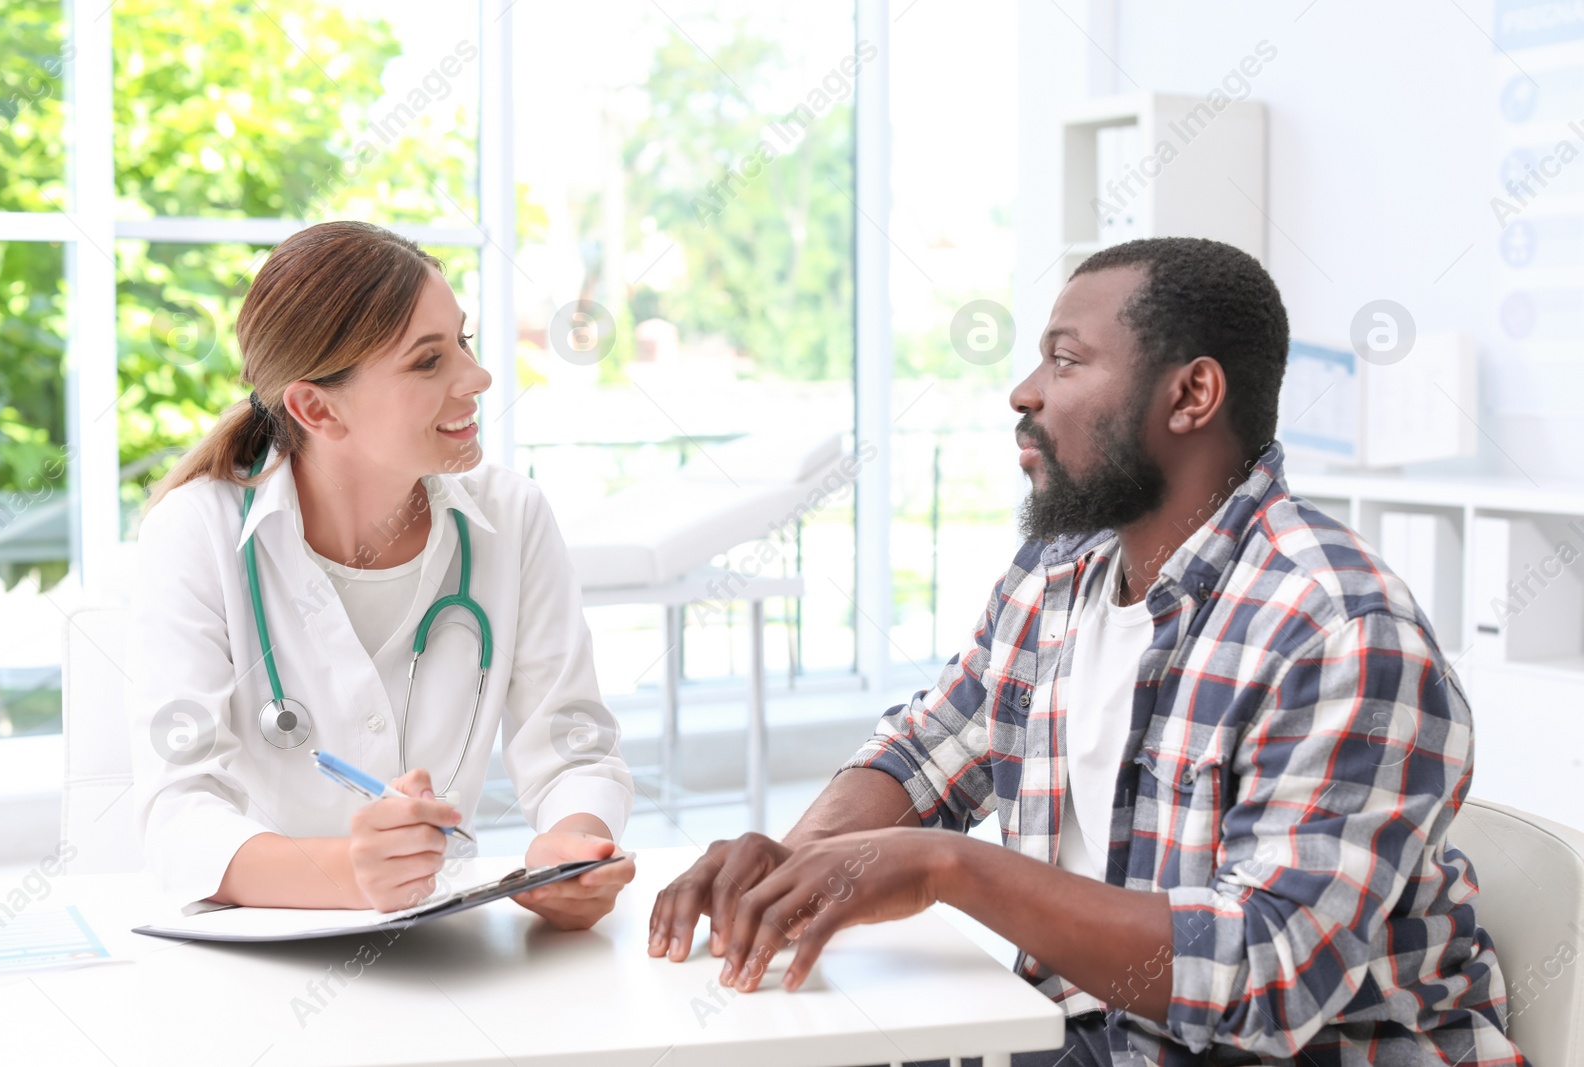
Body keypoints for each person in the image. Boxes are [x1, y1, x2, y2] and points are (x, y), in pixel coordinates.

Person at [647, 237, 1528, 1066]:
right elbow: (929, 751)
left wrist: (946, 866)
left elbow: (1264, 975)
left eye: (1066, 361)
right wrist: (793, 869)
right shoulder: (1059, 571)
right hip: (1099, 1037)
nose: (1024, 391)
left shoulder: (1339, 628)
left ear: (1191, 396)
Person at [126, 220, 635, 928]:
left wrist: (574, 845)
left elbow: (572, 740)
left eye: (463, 340)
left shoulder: (512, 517)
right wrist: (346, 871)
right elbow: (178, 812)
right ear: (315, 407)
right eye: (428, 362)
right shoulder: (196, 533)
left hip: (449, 952)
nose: (478, 376)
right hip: (258, 965)